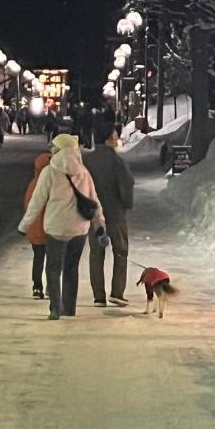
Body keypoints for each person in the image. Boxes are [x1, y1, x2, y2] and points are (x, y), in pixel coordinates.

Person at [19, 134, 108, 320]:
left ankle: (55, 308)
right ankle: (69, 308)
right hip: (79, 229)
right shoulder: (84, 172)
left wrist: (25, 225)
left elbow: (37, 202)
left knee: (53, 267)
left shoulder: (49, 172)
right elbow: (94, 202)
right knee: (71, 268)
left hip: (55, 228)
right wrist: (100, 226)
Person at [83, 122, 134, 307]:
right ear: (108, 139)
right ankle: (117, 292)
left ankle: (98, 296)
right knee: (120, 251)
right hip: (115, 213)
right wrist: (126, 204)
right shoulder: (116, 161)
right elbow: (126, 185)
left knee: (96, 254)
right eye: (115, 137)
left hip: (94, 214)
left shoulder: (87, 160)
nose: (117, 139)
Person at [23, 151, 51, 298]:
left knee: (38, 257)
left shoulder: (32, 185)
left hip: (35, 229)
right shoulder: (52, 184)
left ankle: (37, 286)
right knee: (52, 258)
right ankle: (50, 286)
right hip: (49, 228)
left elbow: (27, 206)